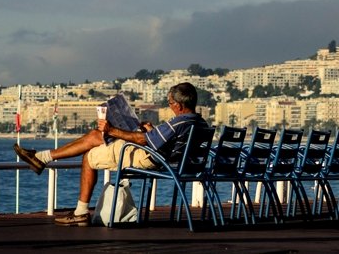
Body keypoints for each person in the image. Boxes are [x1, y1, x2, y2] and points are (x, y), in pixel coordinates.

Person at [13, 82, 207, 226]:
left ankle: (78, 209)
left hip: (151, 159)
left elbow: (143, 141)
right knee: (97, 137)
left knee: (91, 152)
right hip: (171, 161)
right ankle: (42, 158)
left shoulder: (179, 121)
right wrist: (151, 130)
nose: (170, 106)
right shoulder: (200, 123)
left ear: (180, 106)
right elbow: (163, 142)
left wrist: (113, 130)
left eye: (170, 103)